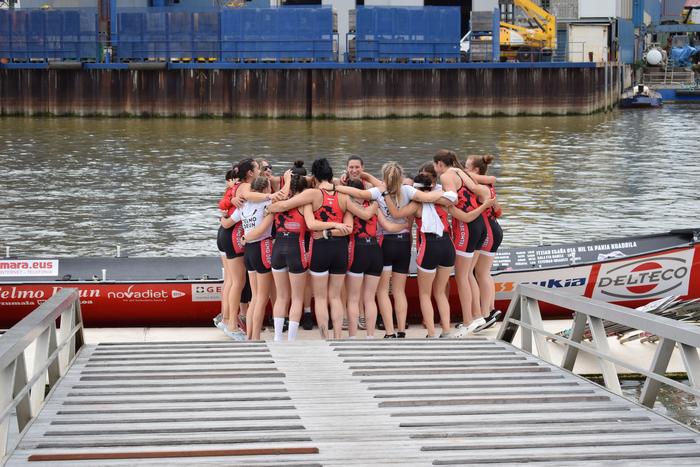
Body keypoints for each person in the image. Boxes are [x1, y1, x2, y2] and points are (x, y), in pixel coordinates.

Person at [336, 162, 449, 338]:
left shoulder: (378, 191)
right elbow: (429, 197)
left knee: (382, 291)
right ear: (401, 177)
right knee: (399, 291)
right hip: (403, 243)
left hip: (385, 243)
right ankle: (402, 329)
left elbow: (358, 193)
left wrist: (337, 187)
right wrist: (444, 192)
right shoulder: (408, 190)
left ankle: (390, 332)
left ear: (384, 177)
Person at [384, 173, 461, 338]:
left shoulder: (416, 204)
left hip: (430, 246)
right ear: (432, 186)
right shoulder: (443, 199)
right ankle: (447, 330)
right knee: (440, 292)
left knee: (425, 293)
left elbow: (397, 214)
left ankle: (431, 333)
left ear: (415, 189)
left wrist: (384, 195)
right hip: (448, 246)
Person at [432, 149, 493, 337]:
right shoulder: (460, 171)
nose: (435, 169)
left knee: (461, 276)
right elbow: (478, 189)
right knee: (468, 275)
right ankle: (477, 316)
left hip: (466, 226)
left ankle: (468, 321)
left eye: (435, 165)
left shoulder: (446, 176)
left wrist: (432, 198)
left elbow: (453, 197)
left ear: (440, 165)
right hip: (480, 223)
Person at [344, 179, 407, 338]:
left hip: (357, 251)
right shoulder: (374, 206)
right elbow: (389, 227)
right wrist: (405, 225)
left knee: (353, 298)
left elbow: (348, 229)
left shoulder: (349, 207)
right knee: (370, 298)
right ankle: (370, 336)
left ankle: (352, 336)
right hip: (375, 251)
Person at [229, 176, 275, 341]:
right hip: (262, 247)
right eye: (270, 188)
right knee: (262, 298)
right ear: (264, 190)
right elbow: (262, 229)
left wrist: (224, 210)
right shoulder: (268, 204)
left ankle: (250, 336)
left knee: (255, 297)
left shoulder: (243, 204)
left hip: (249, 252)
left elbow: (228, 222)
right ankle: (255, 337)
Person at [466, 155, 504, 331]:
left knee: (479, 274)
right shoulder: (489, 184)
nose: (463, 171)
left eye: (466, 167)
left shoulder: (479, 185)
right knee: (484, 273)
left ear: (475, 171)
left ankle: (485, 314)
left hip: (488, 231)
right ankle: (491, 310)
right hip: (494, 228)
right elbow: (499, 211)